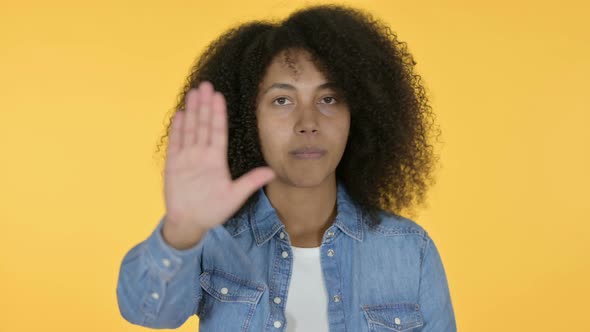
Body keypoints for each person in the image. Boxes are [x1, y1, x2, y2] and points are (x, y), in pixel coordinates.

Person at [116, 4, 456, 331]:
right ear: (249, 119)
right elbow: (146, 311)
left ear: (359, 114)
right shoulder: (210, 241)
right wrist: (181, 231)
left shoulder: (410, 250)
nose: (307, 123)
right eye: (282, 100)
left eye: (328, 99)